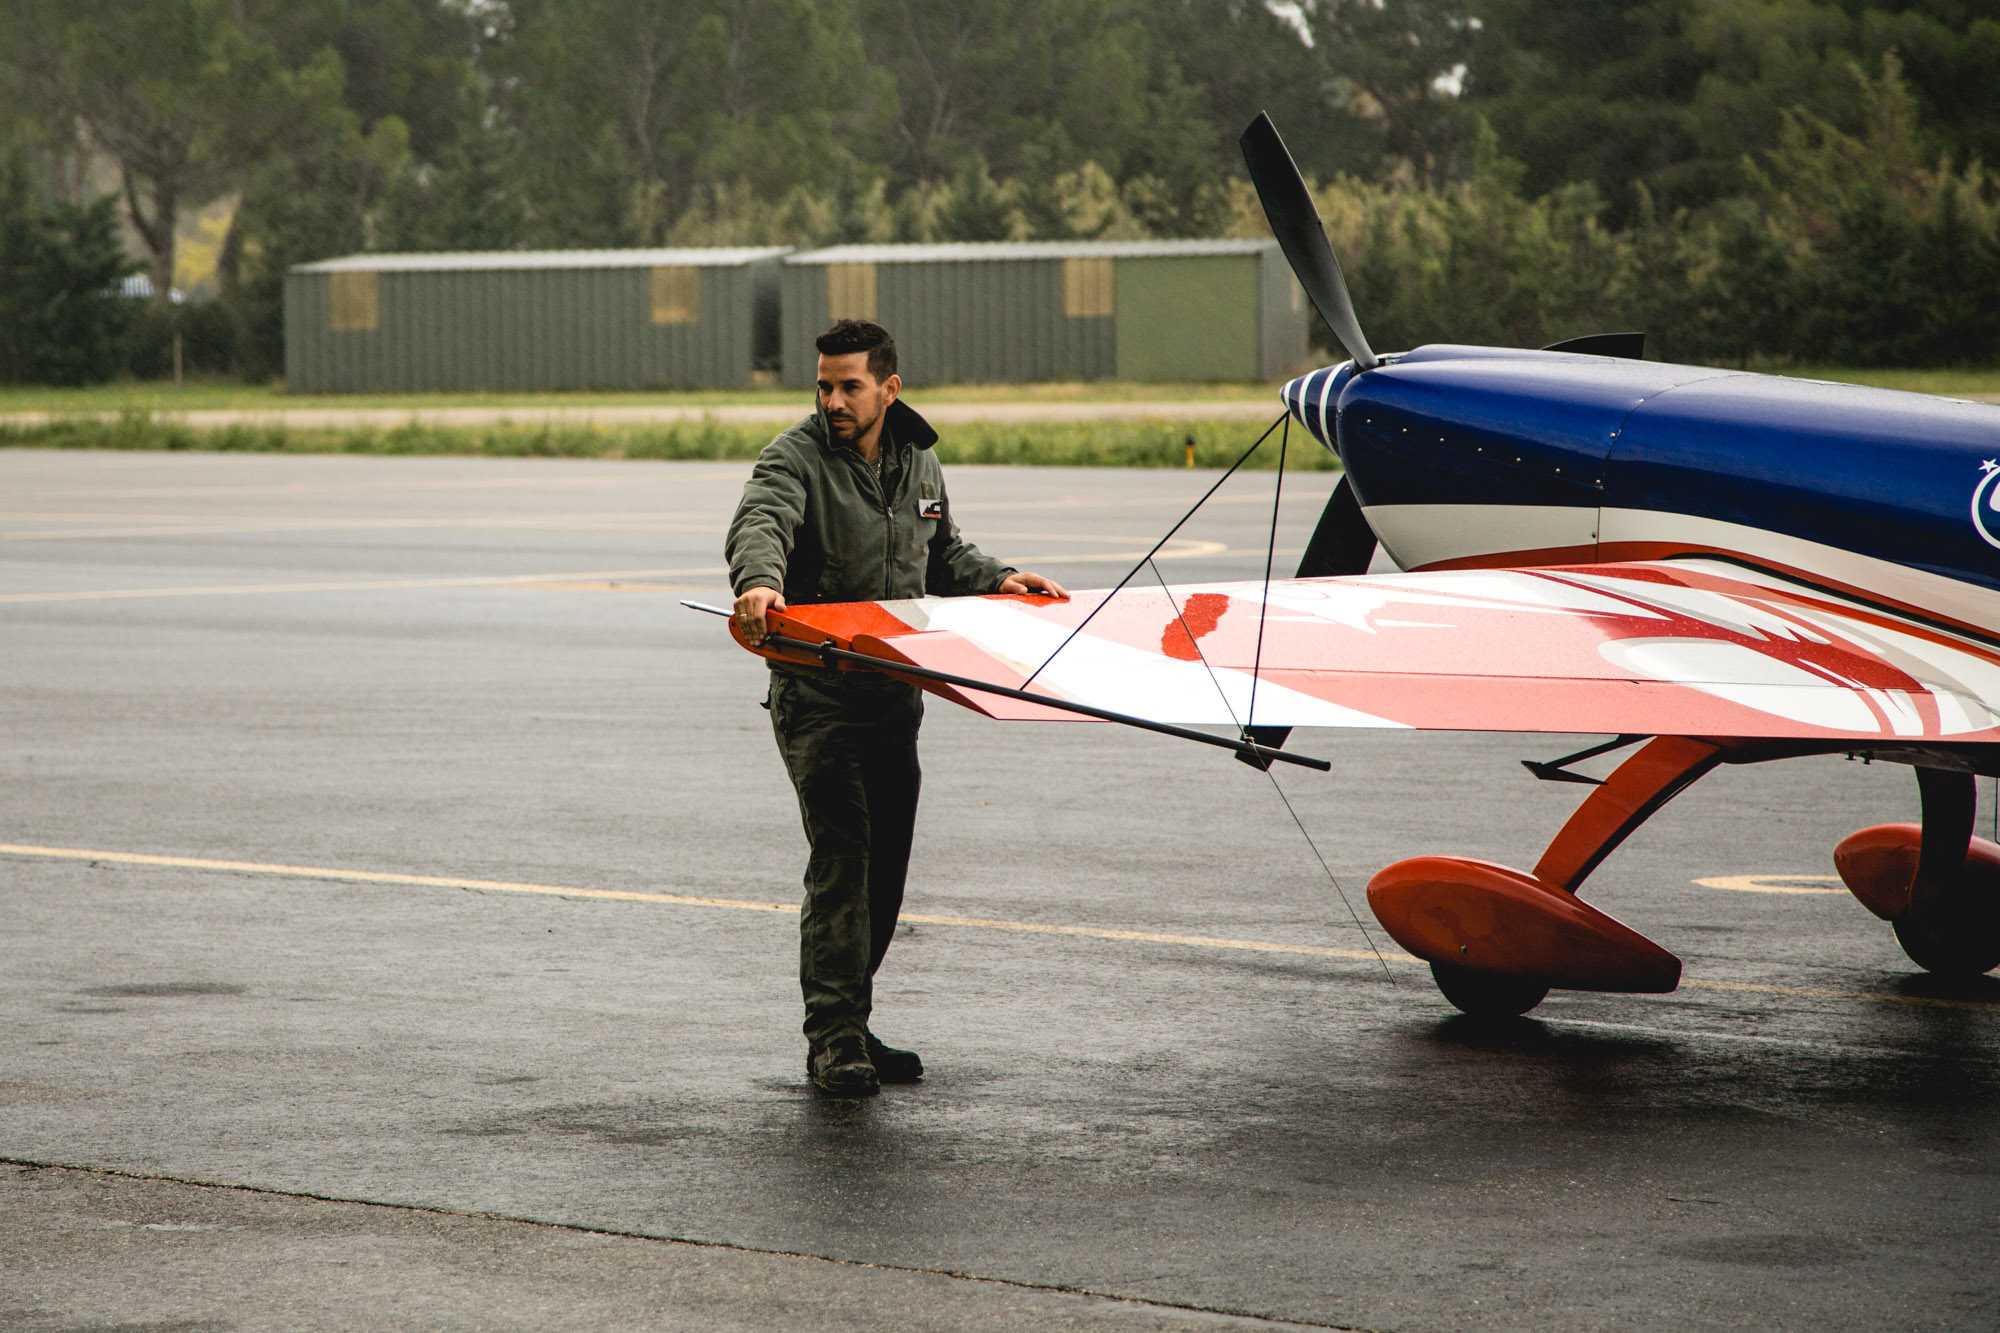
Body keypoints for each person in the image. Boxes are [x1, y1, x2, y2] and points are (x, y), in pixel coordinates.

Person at [726, 319, 1066, 1097]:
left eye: (849, 386)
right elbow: (760, 523)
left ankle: (857, 1017)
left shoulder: (919, 460)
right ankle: (834, 1039)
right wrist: (758, 581)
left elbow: (942, 554)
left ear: (889, 387)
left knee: (885, 871)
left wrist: (1000, 577)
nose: (833, 401)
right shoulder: (794, 458)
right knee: (843, 857)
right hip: (815, 693)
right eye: (823, 385)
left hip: (894, 694)